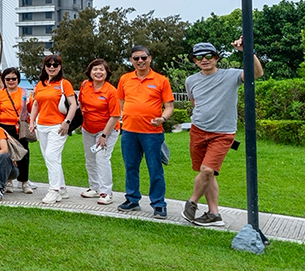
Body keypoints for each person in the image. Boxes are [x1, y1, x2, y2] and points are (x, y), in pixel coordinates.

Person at [183, 39, 263, 227]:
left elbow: (257, 73)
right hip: (198, 130)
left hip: (223, 133)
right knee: (207, 173)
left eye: (208, 56)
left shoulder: (231, 75)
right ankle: (214, 214)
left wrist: (248, 50)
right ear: (194, 60)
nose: (204, 60)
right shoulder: (190, 80)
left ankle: (192, 202)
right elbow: (195, 103)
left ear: (216, 58)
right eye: (199, 57)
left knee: (207, 170)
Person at [117, 45, 174, 219]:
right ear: (131, 60)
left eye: (143, 57)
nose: (140, 61)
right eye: (136, 58)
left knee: (155, 169)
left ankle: (158, 204)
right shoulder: (125, 79)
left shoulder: (161, 80)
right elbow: (121, 102)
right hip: (129, 132)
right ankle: (132, 199)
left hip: (152, 133)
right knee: (131, 167)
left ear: (150, 58)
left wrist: (163, 119)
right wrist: (123, 116)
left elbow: (169, 106)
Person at [29, 54, 77, 205]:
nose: (52, 67)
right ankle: (62, 188)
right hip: (42, 125)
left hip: (58, 126)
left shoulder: (64, 84)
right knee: (50, 157)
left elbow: (73, 104)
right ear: (44, 67)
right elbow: (36, 104)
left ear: (60, 67)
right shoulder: (40, 84)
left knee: (51, 155)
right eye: (49, 64)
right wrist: (32, 121)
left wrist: (67, 122)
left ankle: (54, 190)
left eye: (55, 65)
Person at [77, 58, 121, 205]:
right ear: (90, 72)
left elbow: (115, 116)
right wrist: (80, 120)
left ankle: (106, 192)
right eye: (95, 69)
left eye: (101, 69)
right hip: (88, 129)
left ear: (106, 73)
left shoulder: (111, 91)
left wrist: (104, 135)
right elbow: (81, 103)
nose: (98, 72)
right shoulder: (85, 85)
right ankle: (94, 187)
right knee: (90, 159)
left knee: (102, 159)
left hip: (107, 130)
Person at [0, 67, 32, 194]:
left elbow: (31, 108)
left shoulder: (24, 93)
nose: (11, 81)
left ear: (18, 79)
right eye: (8, 79)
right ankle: (8, 181)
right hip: (3, 127)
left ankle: (24, 182)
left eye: (14, 78)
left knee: (23, 154)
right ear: (4, 80)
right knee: (6, 155)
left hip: (19, 127)